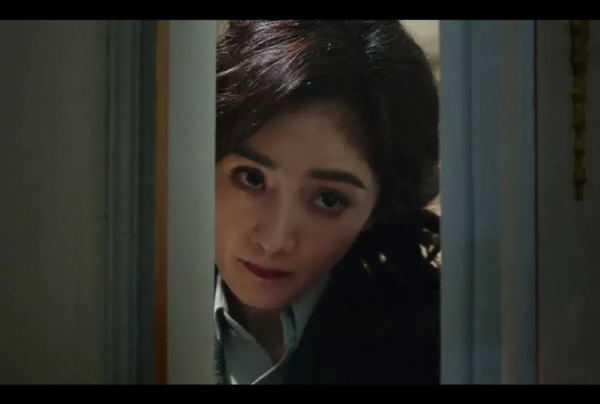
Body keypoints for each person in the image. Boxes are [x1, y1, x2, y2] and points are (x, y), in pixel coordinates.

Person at [214, 20, 440, 384]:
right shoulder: (131, 300)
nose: (274, 241)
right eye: (252, 179)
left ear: (377, 209)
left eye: (328, 199)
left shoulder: (433, 349)